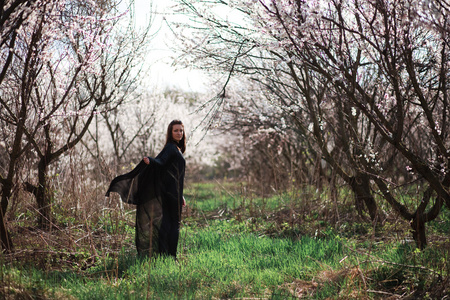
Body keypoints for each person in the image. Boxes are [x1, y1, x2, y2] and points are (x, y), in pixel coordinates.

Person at [106, 120, 187, 258]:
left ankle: (164, 254)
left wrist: (181, 195)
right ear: (170, 133)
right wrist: (150, 160)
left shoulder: (175, 149)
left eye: (181, 130)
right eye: (176, 130)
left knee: (166, 225)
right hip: (171, 195)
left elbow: (171, 174)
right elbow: (161, 162)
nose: (179, 133)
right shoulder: (171, 148)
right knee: (174, 225)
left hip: (173, 193)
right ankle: (170, 256)